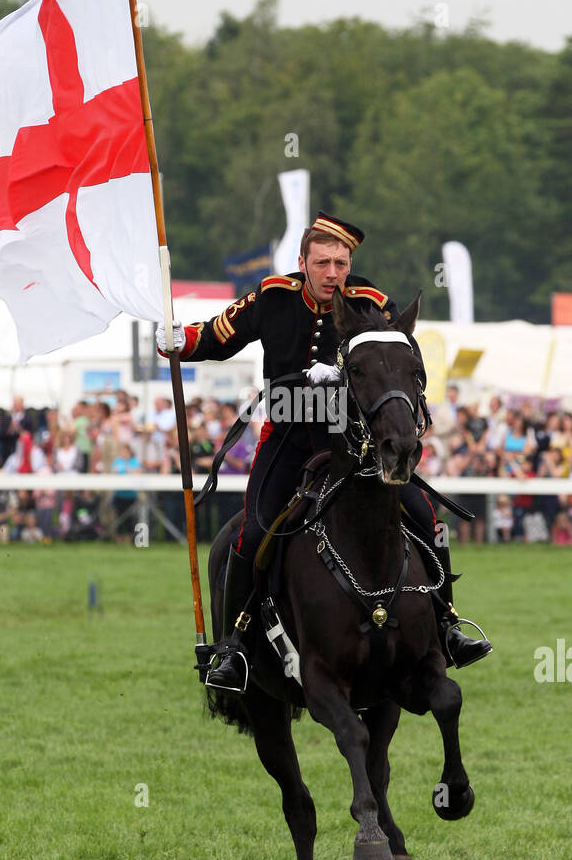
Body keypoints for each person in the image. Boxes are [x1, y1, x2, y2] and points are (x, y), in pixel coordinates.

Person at [160, 210, 492, 691]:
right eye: (322, 262)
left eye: (341, 262)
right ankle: (233, 648)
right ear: (303, 262)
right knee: (251, 535)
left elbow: (397, 353)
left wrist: (339, 378)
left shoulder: (370, 302)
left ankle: (447, 625)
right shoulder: (273, 297)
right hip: (288, 441)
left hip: (350, 446)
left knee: (427, 520)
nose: (332, 272)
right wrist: (180, 340)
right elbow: (217, 335)